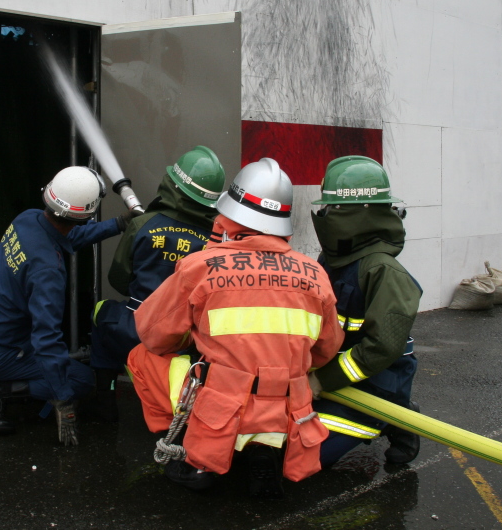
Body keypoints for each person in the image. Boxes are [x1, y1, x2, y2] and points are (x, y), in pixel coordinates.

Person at [127, 158, 344, 498]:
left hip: (223, 408)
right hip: (289, 407)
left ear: (230, 212)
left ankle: (192, 458)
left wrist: (195, 338)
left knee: (142, 357)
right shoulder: (315, 274)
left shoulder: (201, 266)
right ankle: (264, 449)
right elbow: (326, 349)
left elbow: (153, 333)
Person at [0, 166, 129, 445]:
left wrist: (119, 223)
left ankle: (7, 383)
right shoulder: (47, 271)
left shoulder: (28, 219)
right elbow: (46, 338)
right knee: (81, 380)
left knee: (59, 367)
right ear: (86, 215)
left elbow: (69, 236)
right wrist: (63, 399)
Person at [89, 146, 226, 421]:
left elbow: (118, 279)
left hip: (135, 328)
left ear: (173, 185)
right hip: (184, 339)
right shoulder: (215, 241)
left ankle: (103, 398)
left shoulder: (143, 224)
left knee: (101, 312)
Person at [308, 156, 423, 466]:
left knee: (304, 456)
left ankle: (397, 416)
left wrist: (322, 381)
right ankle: (396, 416)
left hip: (375, 385)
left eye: (331, 208)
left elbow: (382, 349)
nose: (324, 215)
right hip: (333, 376)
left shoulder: (384, 272)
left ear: (356, 213)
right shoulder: (332, 260)